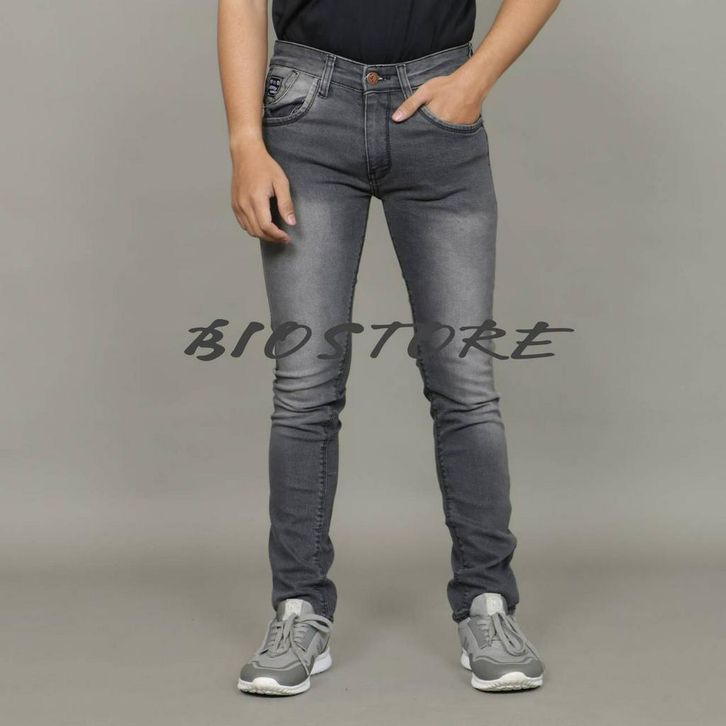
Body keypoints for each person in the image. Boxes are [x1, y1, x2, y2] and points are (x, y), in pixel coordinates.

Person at [218, 0, 560, 696]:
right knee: (305, 386)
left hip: (439, 109)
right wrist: (245, 142)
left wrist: (476, 77)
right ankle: (299, 611)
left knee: (464, 382)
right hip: (307, 113)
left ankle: (487, 605)